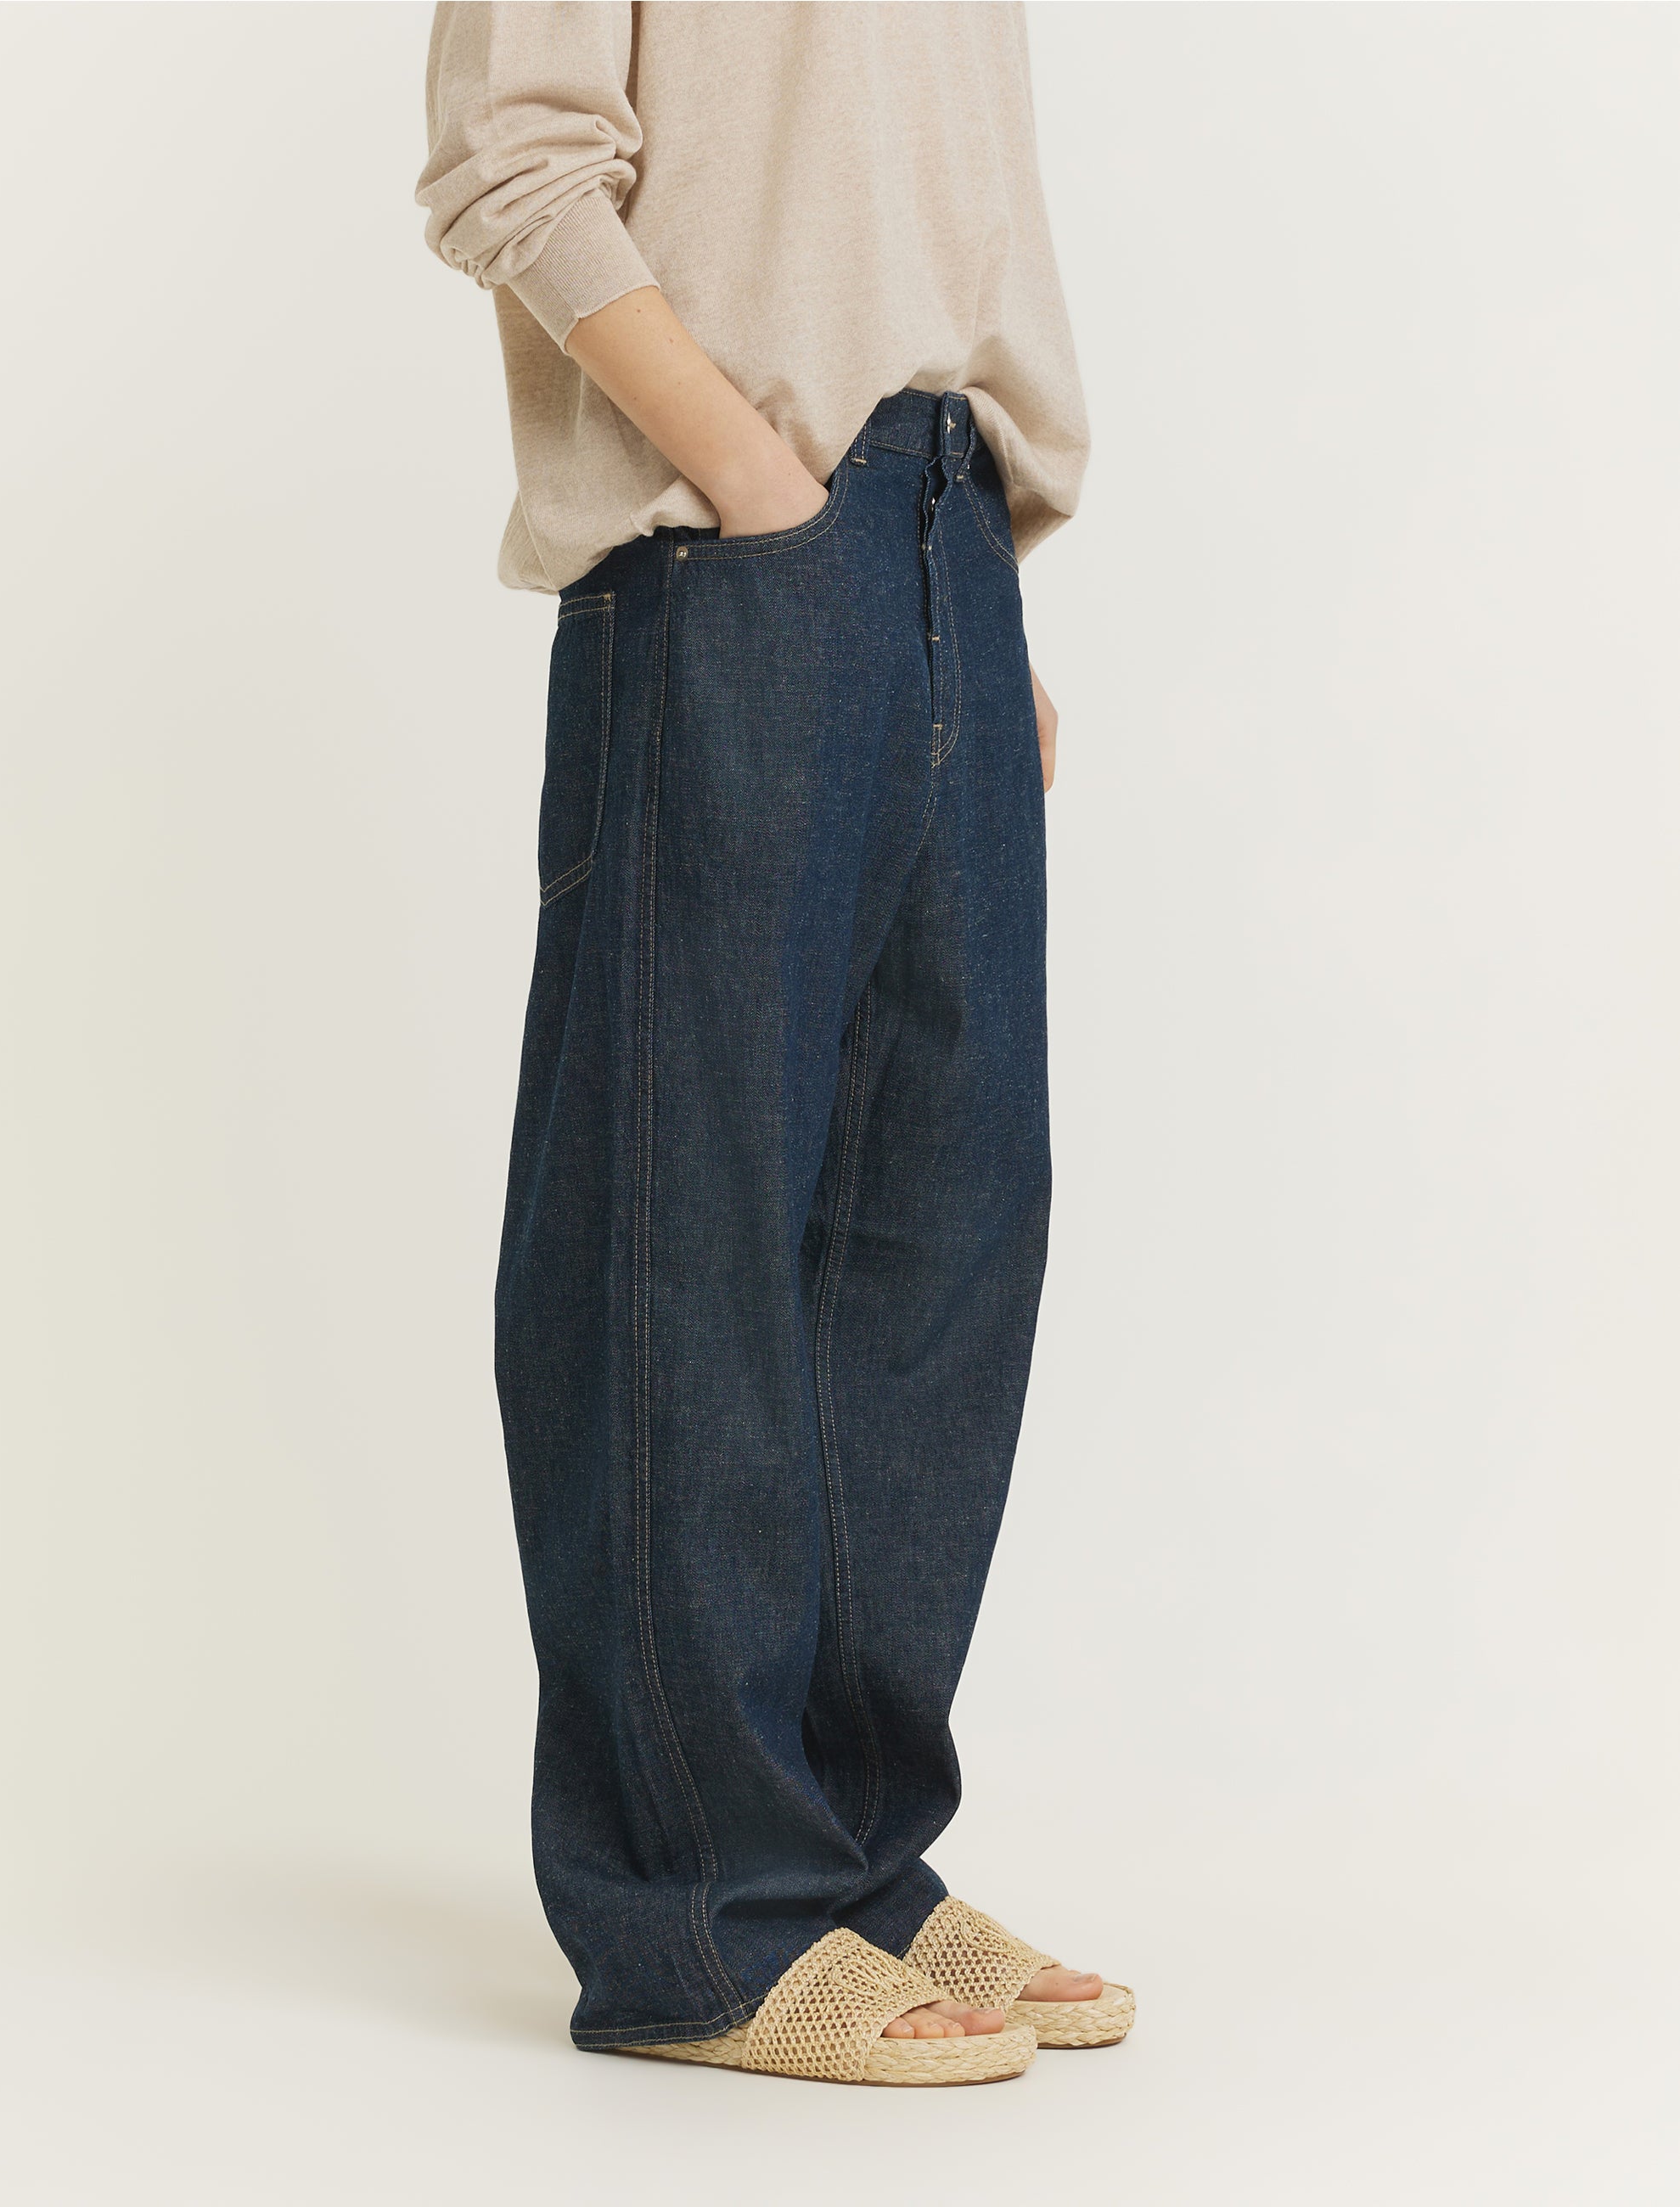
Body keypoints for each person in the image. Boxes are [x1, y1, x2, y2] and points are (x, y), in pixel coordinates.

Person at [417, 0, 1132, 2086]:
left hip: (939, 534)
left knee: (935, 1234)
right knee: (682, 1234)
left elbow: (922, 206)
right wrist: (747, 475)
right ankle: (700, 1917)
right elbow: (509, 159)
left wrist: (958, 584)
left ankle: (847, 1862)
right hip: (730, 531)